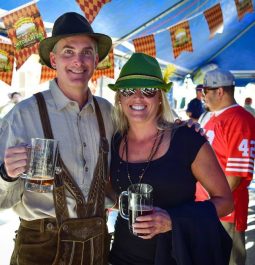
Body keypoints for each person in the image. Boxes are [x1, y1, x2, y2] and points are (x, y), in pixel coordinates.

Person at [0, 12, 113, 265]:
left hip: (97, 250)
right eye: (68, 52)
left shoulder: (109, 113)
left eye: (86, 52)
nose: (78, 61)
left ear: (96, 59)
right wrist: (6, 174)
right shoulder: (22, 115)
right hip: (40, 250)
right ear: (53, 59)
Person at [108, 53, 233, 265]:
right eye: (129, 90)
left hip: (175, 255)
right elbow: (110, 190)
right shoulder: (114, 139)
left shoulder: (186, 139)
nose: (138, 97)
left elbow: (226, 202)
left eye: (148, 91)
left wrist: (172, 220)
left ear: (159, 98)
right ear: (120, 98)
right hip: (121, 255)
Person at [197, 68, 255, 265]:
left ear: (219, 92)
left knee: (229, 259)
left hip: (225, 211)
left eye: (205, 91)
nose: (202, 96)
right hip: (207, 207)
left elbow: (235, 175)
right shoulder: (212, 117)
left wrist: (211, 205)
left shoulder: (240, 120)